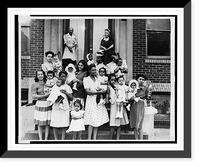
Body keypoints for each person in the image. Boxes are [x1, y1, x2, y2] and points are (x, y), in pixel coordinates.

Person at [83, 64, 109, 140]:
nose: (95, 71)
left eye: (95, 70)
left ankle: (94, 139)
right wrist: (98, 92)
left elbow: (99, 88)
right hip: (91, 100)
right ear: (89, 71)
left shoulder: (97, 79)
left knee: (96, 119)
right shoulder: (86, 79)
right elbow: (88, 91)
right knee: (91, 120)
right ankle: (89, 139)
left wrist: (101, 91)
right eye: (93, 70)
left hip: (97, 100)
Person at [50, 71, 73, 140]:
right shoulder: (55, 86)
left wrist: (66, 93)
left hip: (64, 106)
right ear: (59, 77)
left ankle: (63, 139)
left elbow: (71, 98)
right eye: (62, 76)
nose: (63, 78)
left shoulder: (67, 87)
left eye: (64, 77)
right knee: (55, 123)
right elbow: (51, 96)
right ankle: (56, 139)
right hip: (56, 106)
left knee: (64, 123)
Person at [129, 74, 151, 140]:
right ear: (137, 80)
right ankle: (136, 139)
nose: (141, 81)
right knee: (135, 124)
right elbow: (129, 96)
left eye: (143, 79)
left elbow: (148, 97)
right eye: (140, 79)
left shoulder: (145, 88)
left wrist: (148, 95)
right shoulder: (133, 87)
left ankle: (141, 140)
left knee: (140, 124)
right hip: (134, 105)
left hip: (141, 105)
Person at [31, 69, 51, 140]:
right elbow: (34, 96)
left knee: (46, 122)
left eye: (41, 74)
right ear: (36, 76)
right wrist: (44, 96)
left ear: (44, 75)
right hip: (40, 104)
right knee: (40, 122)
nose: (40, 76)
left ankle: (46, 139)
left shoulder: (48, 83)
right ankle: (40, 139)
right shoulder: (34, 84)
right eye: (38, 74)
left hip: (47, 103)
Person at [107, 74, 129, 140]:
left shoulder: (118, 87)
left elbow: (124, 94)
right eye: (111, 80)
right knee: (113, 125)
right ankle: (110, 140)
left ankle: (117, 139)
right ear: (109, 81)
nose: (113, 81)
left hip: (120, 106)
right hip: (114, 106)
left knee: (119, 124)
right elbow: (108, 99)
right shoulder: (109, 87)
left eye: (114, 80)